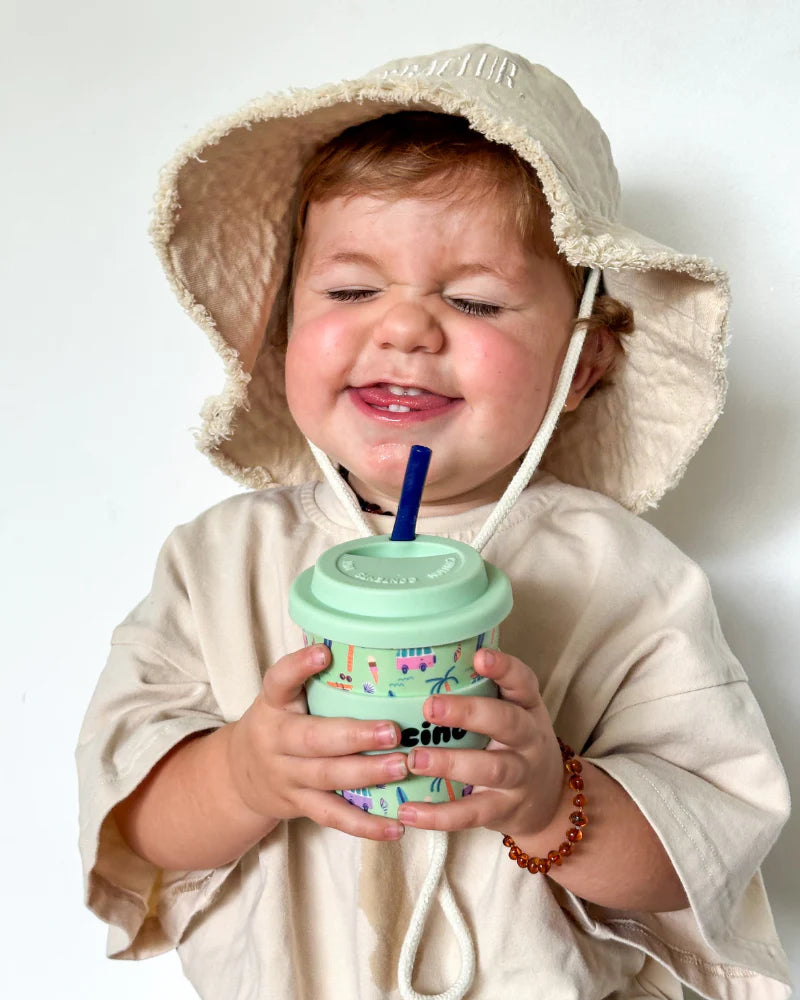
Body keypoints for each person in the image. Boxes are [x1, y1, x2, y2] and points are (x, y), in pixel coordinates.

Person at [77, 44, 791, 999]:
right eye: (351, 290)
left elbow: (705, 853)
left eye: (474, 299)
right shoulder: (220, 562)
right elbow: (133, 826)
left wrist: (552, 804)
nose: (406, 328)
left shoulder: (624, 576)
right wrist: (243, 776)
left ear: (581, 366)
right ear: (283, 331)